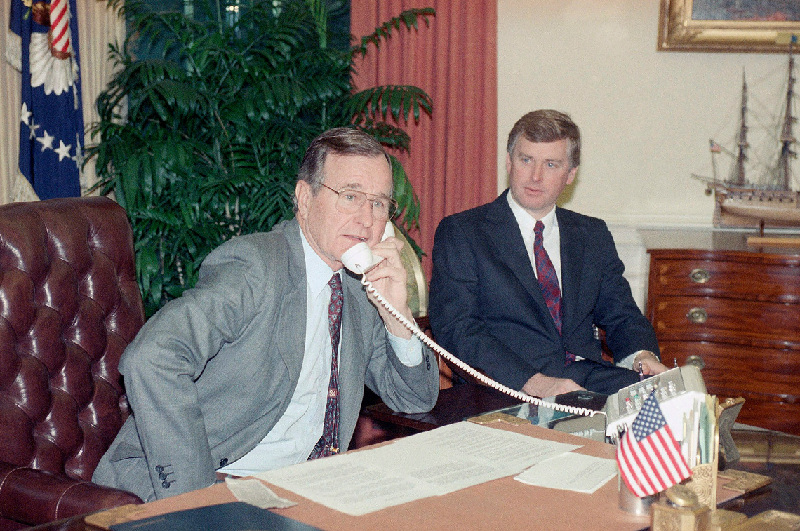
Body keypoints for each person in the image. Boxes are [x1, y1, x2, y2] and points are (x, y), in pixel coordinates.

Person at [93, 127, 439, 501]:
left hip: (301, 488)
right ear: (304, 198)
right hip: (214, 481)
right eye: (351, 196)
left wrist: (397, 316)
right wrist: (196, 499)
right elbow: (152, 358)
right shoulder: (255, 268)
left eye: (379, 204)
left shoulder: (360, 286)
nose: (367, 219)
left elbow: (415, 400)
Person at [429, 110, 666, 399]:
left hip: (588, 380)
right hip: (504, 389)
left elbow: (621, 314)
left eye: (551, 164)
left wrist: (642, 356)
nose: (536, 176)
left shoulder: (591, 234)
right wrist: (535, 383)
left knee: (676, 401)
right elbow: (458, 329)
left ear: (571, 174)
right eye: (526, 160)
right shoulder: (463, 232)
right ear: (509, 162)